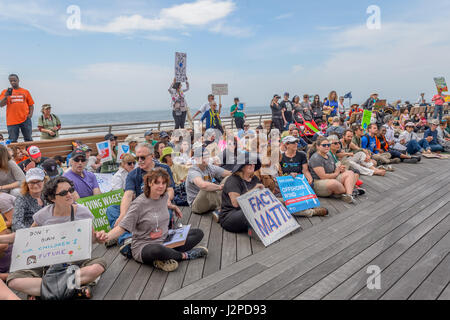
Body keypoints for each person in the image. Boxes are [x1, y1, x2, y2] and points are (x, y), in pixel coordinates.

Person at [2, 177, 107, 299]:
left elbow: (93, 238)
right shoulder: (43, 215)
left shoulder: (83, 212)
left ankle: (42, 292)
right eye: (63, 193)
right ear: (52, 198)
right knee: (14, 280)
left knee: (98, 266)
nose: (69, 194)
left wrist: (99, 237)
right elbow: (25, 236)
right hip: (47, 264)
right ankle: (72, 289)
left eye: (71, 190)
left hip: (75, 261)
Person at [97, 169, 207, 272]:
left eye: (164, 183)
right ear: (149, 183)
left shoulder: (163, 197)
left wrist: (173, 207)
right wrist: (106, 236)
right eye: (157, 182)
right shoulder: (139, 204)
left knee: (198, 233)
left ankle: (165, 257)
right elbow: (122, 227)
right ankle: (185, 255)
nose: (161, 186)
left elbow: (162, 206)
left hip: (165, 239)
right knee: (157, 250)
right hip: (145, 245)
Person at [110, 143, 175, 255]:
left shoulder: (164, 169)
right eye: (137, 158)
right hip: (140, 209)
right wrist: (123, 214)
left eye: (143, 157)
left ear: (152, 156)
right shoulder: (133, 174)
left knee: (167, 211)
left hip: (158, 207)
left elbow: (170, 190)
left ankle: (148, 237)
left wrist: (166, 200)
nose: (139, 160)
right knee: (112, 210)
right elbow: (128, 195)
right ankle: (127, 239)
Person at [280, 136, 329, 216]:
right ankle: (309, 209)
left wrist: (309, 178)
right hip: (287, 182)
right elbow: (280, 173)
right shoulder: (281, 157)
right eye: (293, 142)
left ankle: (310, 206)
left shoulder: (301, 155)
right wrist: (289, 175)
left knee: (310, 183)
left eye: (296, 142)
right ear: (287, 144)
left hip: (299, 180)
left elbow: (305, 170)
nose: (296, 144)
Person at [219, 157, 265, 235]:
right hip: (231, 215)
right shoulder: (233, 180)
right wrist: (254, 190)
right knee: (252, 212)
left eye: (253, 163)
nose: (252, 165)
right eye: (249, 164)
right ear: (242, 167)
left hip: (250, 210)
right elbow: (236, 203)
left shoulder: (254, 178)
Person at [308, 136, 357, 203]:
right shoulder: (316, 158)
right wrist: (336, 173)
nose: (327, 147)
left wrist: (340, 169)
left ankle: (348, 195)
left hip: (331, 177)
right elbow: (323, 177)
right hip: (318, 182)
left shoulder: (329, 155)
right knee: (334, 183)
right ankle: (348, 190)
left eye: (328, 145)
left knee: (350, 173)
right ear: (318, 146)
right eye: (324, 145)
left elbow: (334, 169)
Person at [186, 148, 231, 216]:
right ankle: (223, 208)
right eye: (203, 157)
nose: (206, 159)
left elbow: (229, 173)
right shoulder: (193, 171)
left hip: (209, 201)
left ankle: (228, 204)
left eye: (207, 156)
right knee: (206, 188)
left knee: (229, 178)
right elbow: (203, 185)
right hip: (197, 206)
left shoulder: (210, 167)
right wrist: (219, 187)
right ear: (196, 159)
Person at [0, 74, 34, 143]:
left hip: (25, 119)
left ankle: (28, 153)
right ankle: (14, 154)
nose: (13, 82)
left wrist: (30, 115)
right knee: (12, 140)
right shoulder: (5, 92)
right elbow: (1, 104)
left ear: (18, 80)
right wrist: (6, 96)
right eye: (11, 81)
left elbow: (31, 105)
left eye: (14, 80)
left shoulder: (25, 91)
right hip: (12, 120)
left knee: (28, 139)